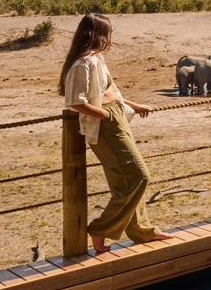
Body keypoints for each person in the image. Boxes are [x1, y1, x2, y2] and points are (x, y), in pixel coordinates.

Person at [58, 13, 174, 255]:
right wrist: (105, 115)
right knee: (139, 175)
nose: (108, 39)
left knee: (125, 182)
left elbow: (111, 92)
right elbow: (75, 102)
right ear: (96, 35)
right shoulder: (82, 64)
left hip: (116, 117)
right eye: (106, 34)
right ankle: (100, 228)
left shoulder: (96, 59)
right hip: (106, 124)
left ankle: (142, 230)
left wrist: (134, 106)